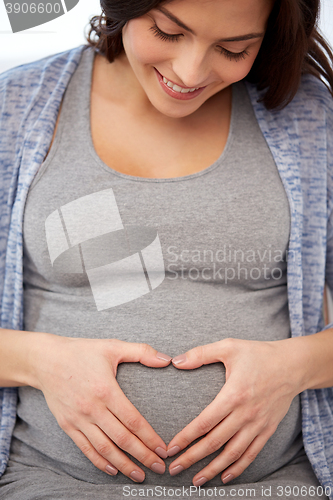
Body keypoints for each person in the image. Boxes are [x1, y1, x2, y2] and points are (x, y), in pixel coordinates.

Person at [0, 0, 333, 498]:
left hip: (279, 485)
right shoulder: (16, 106)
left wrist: (294, 368)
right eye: (167, 32)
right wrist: (39, 361)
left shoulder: (310, 119)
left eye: (233, 48)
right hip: (49, 482)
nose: (190, 71)